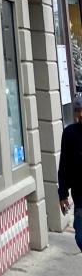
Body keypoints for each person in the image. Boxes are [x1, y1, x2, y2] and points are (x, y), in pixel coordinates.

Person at [58, 94, 82, 252]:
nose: (80, 114)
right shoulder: (69, 133)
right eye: (77, 110)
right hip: (80, 196)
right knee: (81, 237)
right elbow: (64, 164)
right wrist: (62, 194)